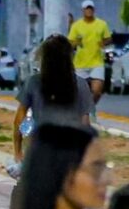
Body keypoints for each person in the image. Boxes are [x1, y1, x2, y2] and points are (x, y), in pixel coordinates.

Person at [10, 35, 98, 175]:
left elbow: (20, 120)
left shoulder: (33, 82)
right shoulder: (81, 84)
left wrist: (18, 151)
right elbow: (85, 123)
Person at [69, 3, 114, 102]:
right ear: (83, 10)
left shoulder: (102, 24)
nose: (89, 11)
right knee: (79, 92)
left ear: (94, 10)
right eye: (87, 9)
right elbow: (70, 42)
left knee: (97, 91)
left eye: (91, 9)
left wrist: (103, 42)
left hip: (97, 62)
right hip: (80, 64)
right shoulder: (76, 25)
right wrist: (77, 42)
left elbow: (109, 39)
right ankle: (82, 107)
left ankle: (90, 107)